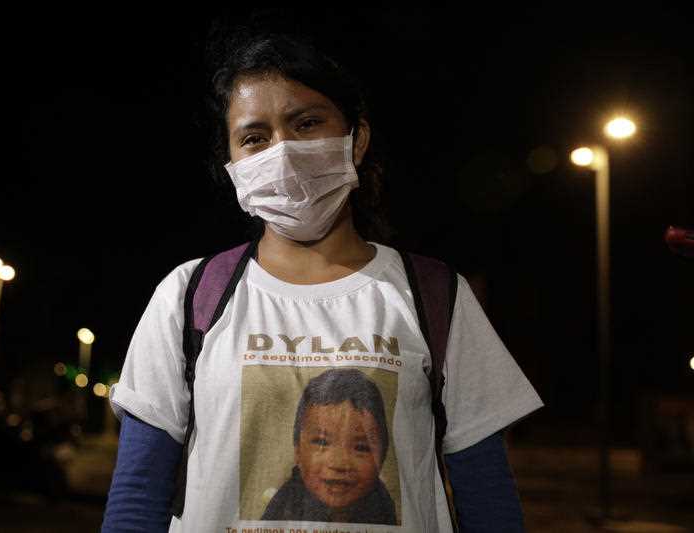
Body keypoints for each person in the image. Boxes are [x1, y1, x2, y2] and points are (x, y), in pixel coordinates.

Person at [101, 20, 544, 533]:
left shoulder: (433, 295)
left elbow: (486, 494)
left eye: (306, 124)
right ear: (233, 163)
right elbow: (138, 494)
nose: (282, 151)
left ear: (356, 140)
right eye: (254, 137)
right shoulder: (189, 294)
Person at [261, 368, 397, 524]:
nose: (339, 463)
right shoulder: (283, 506)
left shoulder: (383, 508)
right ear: (297, 451)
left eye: (361, 447)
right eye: (321, 442)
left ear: (382, 457)